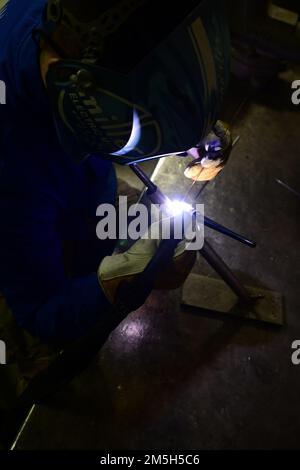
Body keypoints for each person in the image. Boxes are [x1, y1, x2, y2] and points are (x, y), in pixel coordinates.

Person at [0, 0, 231, 409]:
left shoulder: (71, 25)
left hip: (77, 186)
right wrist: (122, 281)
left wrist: (188, 127)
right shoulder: (16, 175)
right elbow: (40, 310)